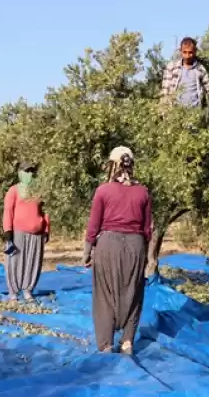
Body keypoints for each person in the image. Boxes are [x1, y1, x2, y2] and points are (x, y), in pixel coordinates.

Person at [82, 146, 153, 355]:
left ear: (112, 165)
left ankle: (106, 344)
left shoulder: (103, 190)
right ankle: (127, 342)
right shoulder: (143, 192)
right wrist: (147, 257)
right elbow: (148, 228)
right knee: (132, 292)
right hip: (135, 245)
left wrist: (87, 253)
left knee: (105, 295)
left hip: (108, 245)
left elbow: (93, 226)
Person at [2, 161, 50, 304]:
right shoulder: (14, 190)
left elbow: (46, 211)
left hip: (37, 233)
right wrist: (7, 230)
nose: (29, 174)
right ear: (20, 173)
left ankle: (28, 291)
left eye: (31, 172)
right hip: (18, 232)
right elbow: (8, 211)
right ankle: (13, 293)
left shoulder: (39, 192)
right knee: (15, 262)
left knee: (33, 262)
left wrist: (47, 229)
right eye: (26, 171)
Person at [160, 37, 209, 108]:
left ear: (195, 51)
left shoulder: (200, 69)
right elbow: (165, 90)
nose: (187, 56)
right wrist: (163, 110)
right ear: (180, 51)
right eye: (185, 52)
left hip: (194, 114)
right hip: (175, 112)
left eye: (190, 52)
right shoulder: (171, 67)